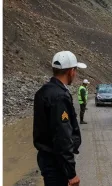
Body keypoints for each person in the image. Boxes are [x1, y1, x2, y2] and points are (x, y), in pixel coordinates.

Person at [33, 51, 87, 186]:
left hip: (46, 158)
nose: (75, 74)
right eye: (75, 70)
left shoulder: (43, 91)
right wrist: (71, 173)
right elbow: (62, 136)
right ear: (71, 71)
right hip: (56, 163)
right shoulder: (60, 96)